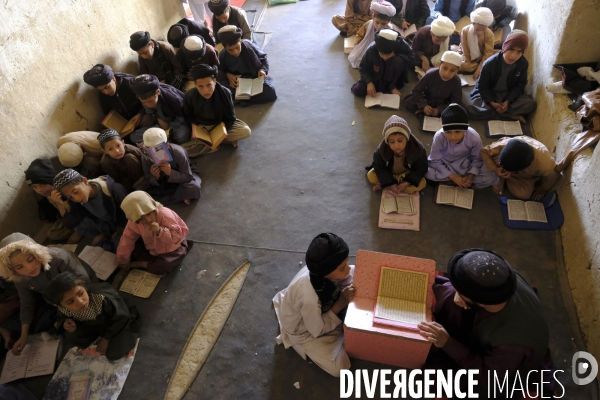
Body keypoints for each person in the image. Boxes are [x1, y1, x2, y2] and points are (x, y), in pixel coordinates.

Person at [418, 249, 555, 397]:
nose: (457, 292)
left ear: (480, 303)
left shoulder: (512, 343)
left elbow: (488, 377)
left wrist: (448, 343)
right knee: (449, 295)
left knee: (435, 377)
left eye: (461, 293)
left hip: (498, 374)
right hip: (490, 328)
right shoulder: (502, 280)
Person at [272, 233, 356, 377]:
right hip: (305, 330)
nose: (347, 269)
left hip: (313, 310)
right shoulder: (309, 297)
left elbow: (348, 272)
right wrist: (341, 302)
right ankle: (310, 346)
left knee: (357, 275)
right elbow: (316, 329)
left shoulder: (319, 270)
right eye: (342, 268)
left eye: (346, 263)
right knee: (341, 368)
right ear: (326, 272)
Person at [0, 233, 98, 356]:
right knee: (16, 324)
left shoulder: (58, 257)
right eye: (19, 267)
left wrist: (71, 310)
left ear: (37, 253)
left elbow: (84, 283)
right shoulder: (20, 278)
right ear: (12, 270)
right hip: (57, 301)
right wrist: (24, 336)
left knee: (92, 318)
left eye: (30, 259)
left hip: (81, 293)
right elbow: (27, 303)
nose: (29, 268)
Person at [47, 272, 139, 361]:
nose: (80, 302)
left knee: (114, 354)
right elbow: (60, 318)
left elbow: (121, 317)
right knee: (72, 336)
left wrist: (106, 338)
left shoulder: (102, 298)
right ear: (60, 305)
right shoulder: (63, 308)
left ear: (84, 287)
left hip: (112, 321)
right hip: (90, 325)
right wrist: (64, 323)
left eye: (80, 293)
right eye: (71, 302)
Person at [466, 30, 536, 123]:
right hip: (489, 93)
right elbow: (483, 86)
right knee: (470, 108)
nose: (513, 56)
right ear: (505, 47)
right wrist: (492, 102)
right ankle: (508, 114)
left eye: (519, 52)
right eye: (511, 49)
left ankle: (497, 112)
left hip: (507, 94)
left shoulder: (523, 63)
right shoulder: (490, 63)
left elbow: (520, 85)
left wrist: (508, 101)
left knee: (530, 105)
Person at [116, 191, 192, 275]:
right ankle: (150, 261)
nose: (148, 220)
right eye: (141, 219)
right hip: (152, 247)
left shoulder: (165, 214)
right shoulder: (133, 222)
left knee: (163, 265)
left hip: (172, 247)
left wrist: (160, 231)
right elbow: (127, 239)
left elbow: (177, 236)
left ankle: (142, 264)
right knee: (123, 245)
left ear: (152, 206)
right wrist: (123, 260)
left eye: (149, 214)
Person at [425, 104, 497, 188]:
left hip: (466, 164)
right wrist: (453, 177)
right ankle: (457, 182)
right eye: (448, 132)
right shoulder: (439, 136)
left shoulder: (474, 137)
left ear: (465, 130)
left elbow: (477, 159)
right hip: (446, 163)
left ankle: (450, 182)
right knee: (426, 172)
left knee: (491, 176)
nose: (453, 136)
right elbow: (434, 160)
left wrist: (471, 176)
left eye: (457, 132)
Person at [184, 64, 251, 150]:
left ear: (214, 81)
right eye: (200, 86)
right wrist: (198, 127)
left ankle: (213, 144)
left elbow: (230, 117)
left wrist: (221, 134)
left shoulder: (225, 93)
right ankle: (219, 142)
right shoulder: (190, 95)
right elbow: (188, 116)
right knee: (188, 146)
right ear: (195, 85)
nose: (205, 91)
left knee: (245, 131)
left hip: (220, 124)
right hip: (203, 127)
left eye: (209, 85)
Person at [53, 169, 128, 247]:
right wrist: (60, 205)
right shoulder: (76, 200)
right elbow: (70, 224)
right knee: (80, 223)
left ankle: (107, 235)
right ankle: (104, 234)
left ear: (85, 181)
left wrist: (114, 236)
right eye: (70, 197)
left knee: (120, 245)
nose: (76, 199)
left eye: (75, 192)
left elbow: (125, 218)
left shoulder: (113, 190)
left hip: (121, 224)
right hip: (104, 222)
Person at [83, 64, 154, 140]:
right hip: (126, 125)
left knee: (148, 120)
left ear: (113, 79)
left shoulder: (130, 84)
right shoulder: (102, 96)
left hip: (142, 115)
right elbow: (109, 113)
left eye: (107, 87)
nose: (106, 92)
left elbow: (147, 101)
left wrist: (140, 114)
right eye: (102, 90)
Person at [481, 137, 561, 200]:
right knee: (494, 159)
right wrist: (496, 169)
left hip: (526, 175)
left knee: (523, 194)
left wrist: (543, 188)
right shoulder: (506, 145)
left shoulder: (544, 163)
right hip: (505, 161)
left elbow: (554, 176)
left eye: (508, 170)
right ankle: (502, 177)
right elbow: (484, 151)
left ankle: (506, 177)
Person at [139, 128, 201, 206]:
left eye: (157, 149)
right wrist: (155, 177)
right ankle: (182, 196)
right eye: (148, 149)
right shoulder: (145, 157)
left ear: (167, 145)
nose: (154, 154)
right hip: (163, 183)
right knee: (142, 193)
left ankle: (180, 195)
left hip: (180, 178)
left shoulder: (178, 152)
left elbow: (188, 176)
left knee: (193, 186)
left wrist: (171, 173)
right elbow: (148, 178)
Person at [366, 115, 428, 193]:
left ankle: (390, 186)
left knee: (422, 183)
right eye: (392, 142)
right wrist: (391, 183)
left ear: (407, 137)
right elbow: (379, 167)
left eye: (400, 140)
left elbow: (421, 168)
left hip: (406, 174)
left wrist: (406, 183)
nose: (396, 146)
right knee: (371, 175)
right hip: (390, 173)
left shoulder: (417, 149)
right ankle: (392, 185)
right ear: (387, 141)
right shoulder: (382, 150)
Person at [217, 26, 277, 104]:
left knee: (270, 91)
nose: (235, 52)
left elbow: (263, 58)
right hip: (238, 83)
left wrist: (262, 70)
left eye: (237, 47)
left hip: (254, 77)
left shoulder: (249, 45)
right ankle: (245, 98)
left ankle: (242, 100)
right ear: (225, 47)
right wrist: (228, 75)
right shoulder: (223, 55)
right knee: (221, 92)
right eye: (230, 50)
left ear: (240, 41)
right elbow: (220, 70)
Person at [25, 159, 78, 242]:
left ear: (51, 181)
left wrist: (78, 232)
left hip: (81, 215)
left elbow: (79, 211)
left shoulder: (65, 190)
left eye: (42, 185)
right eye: (34, 187)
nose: (39, 190)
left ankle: (81, 230)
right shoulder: (48, 194)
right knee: (52, 234)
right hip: (69, 217)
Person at [351, 28, 414, 97]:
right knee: (359, 90)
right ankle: (383, 86)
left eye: (388, 54)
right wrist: (369, 82)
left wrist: (396, 55)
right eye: (382, 54)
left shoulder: (400, 43)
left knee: (397, 61)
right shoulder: (372, 48)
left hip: (393, 76)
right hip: (376, 75)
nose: (385, 58)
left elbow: (412, 58)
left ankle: (391, 86)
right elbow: (363, 68)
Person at [130, 74, 191, 145]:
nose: (148, 105)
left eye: (150, 101)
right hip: (160, 124)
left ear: (157, 92)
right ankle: (163, 140)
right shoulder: (144, 98)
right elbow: (152, 112)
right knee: (133, 136)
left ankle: (163, 141)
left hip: (176, 124)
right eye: (144, 102)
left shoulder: (173, 99)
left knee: (182, 136)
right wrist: (160, 120)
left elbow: (181, 118)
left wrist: (169, 127)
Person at [403, 51, 463, 118]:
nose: (446, 74)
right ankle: (424, 111)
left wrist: (439, 109)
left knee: (460, 112)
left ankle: (432, 113)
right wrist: (424, 105)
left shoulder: (457, 80)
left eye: (452, 71)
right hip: (428, 98)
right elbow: (416, 91)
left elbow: (456, 101)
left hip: (444, 102)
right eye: (445, 68)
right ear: (439, 65)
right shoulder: (430, 74)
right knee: (408, 103)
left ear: (457, 70)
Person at [348, 1, 396, 69]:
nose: (379, 26)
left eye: (383, 24)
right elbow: (359, 35)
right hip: (366, 51)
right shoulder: (368, 25)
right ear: (373, 17)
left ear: (389, 21)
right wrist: (358, 45)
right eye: (377, 22)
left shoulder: (390, 30)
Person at [458, 7, 495, 79]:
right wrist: (468, 62)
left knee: (493, 64)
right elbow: (465, 49)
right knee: (456, 64)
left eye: (483, 30)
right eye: (477, 29)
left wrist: (479, 70)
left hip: (480, 59)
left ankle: (475, 68)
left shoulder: (489, 34)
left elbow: (487, 54)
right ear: (472, 23)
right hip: (465, 56)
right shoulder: (465, 30)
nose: (480, 33)